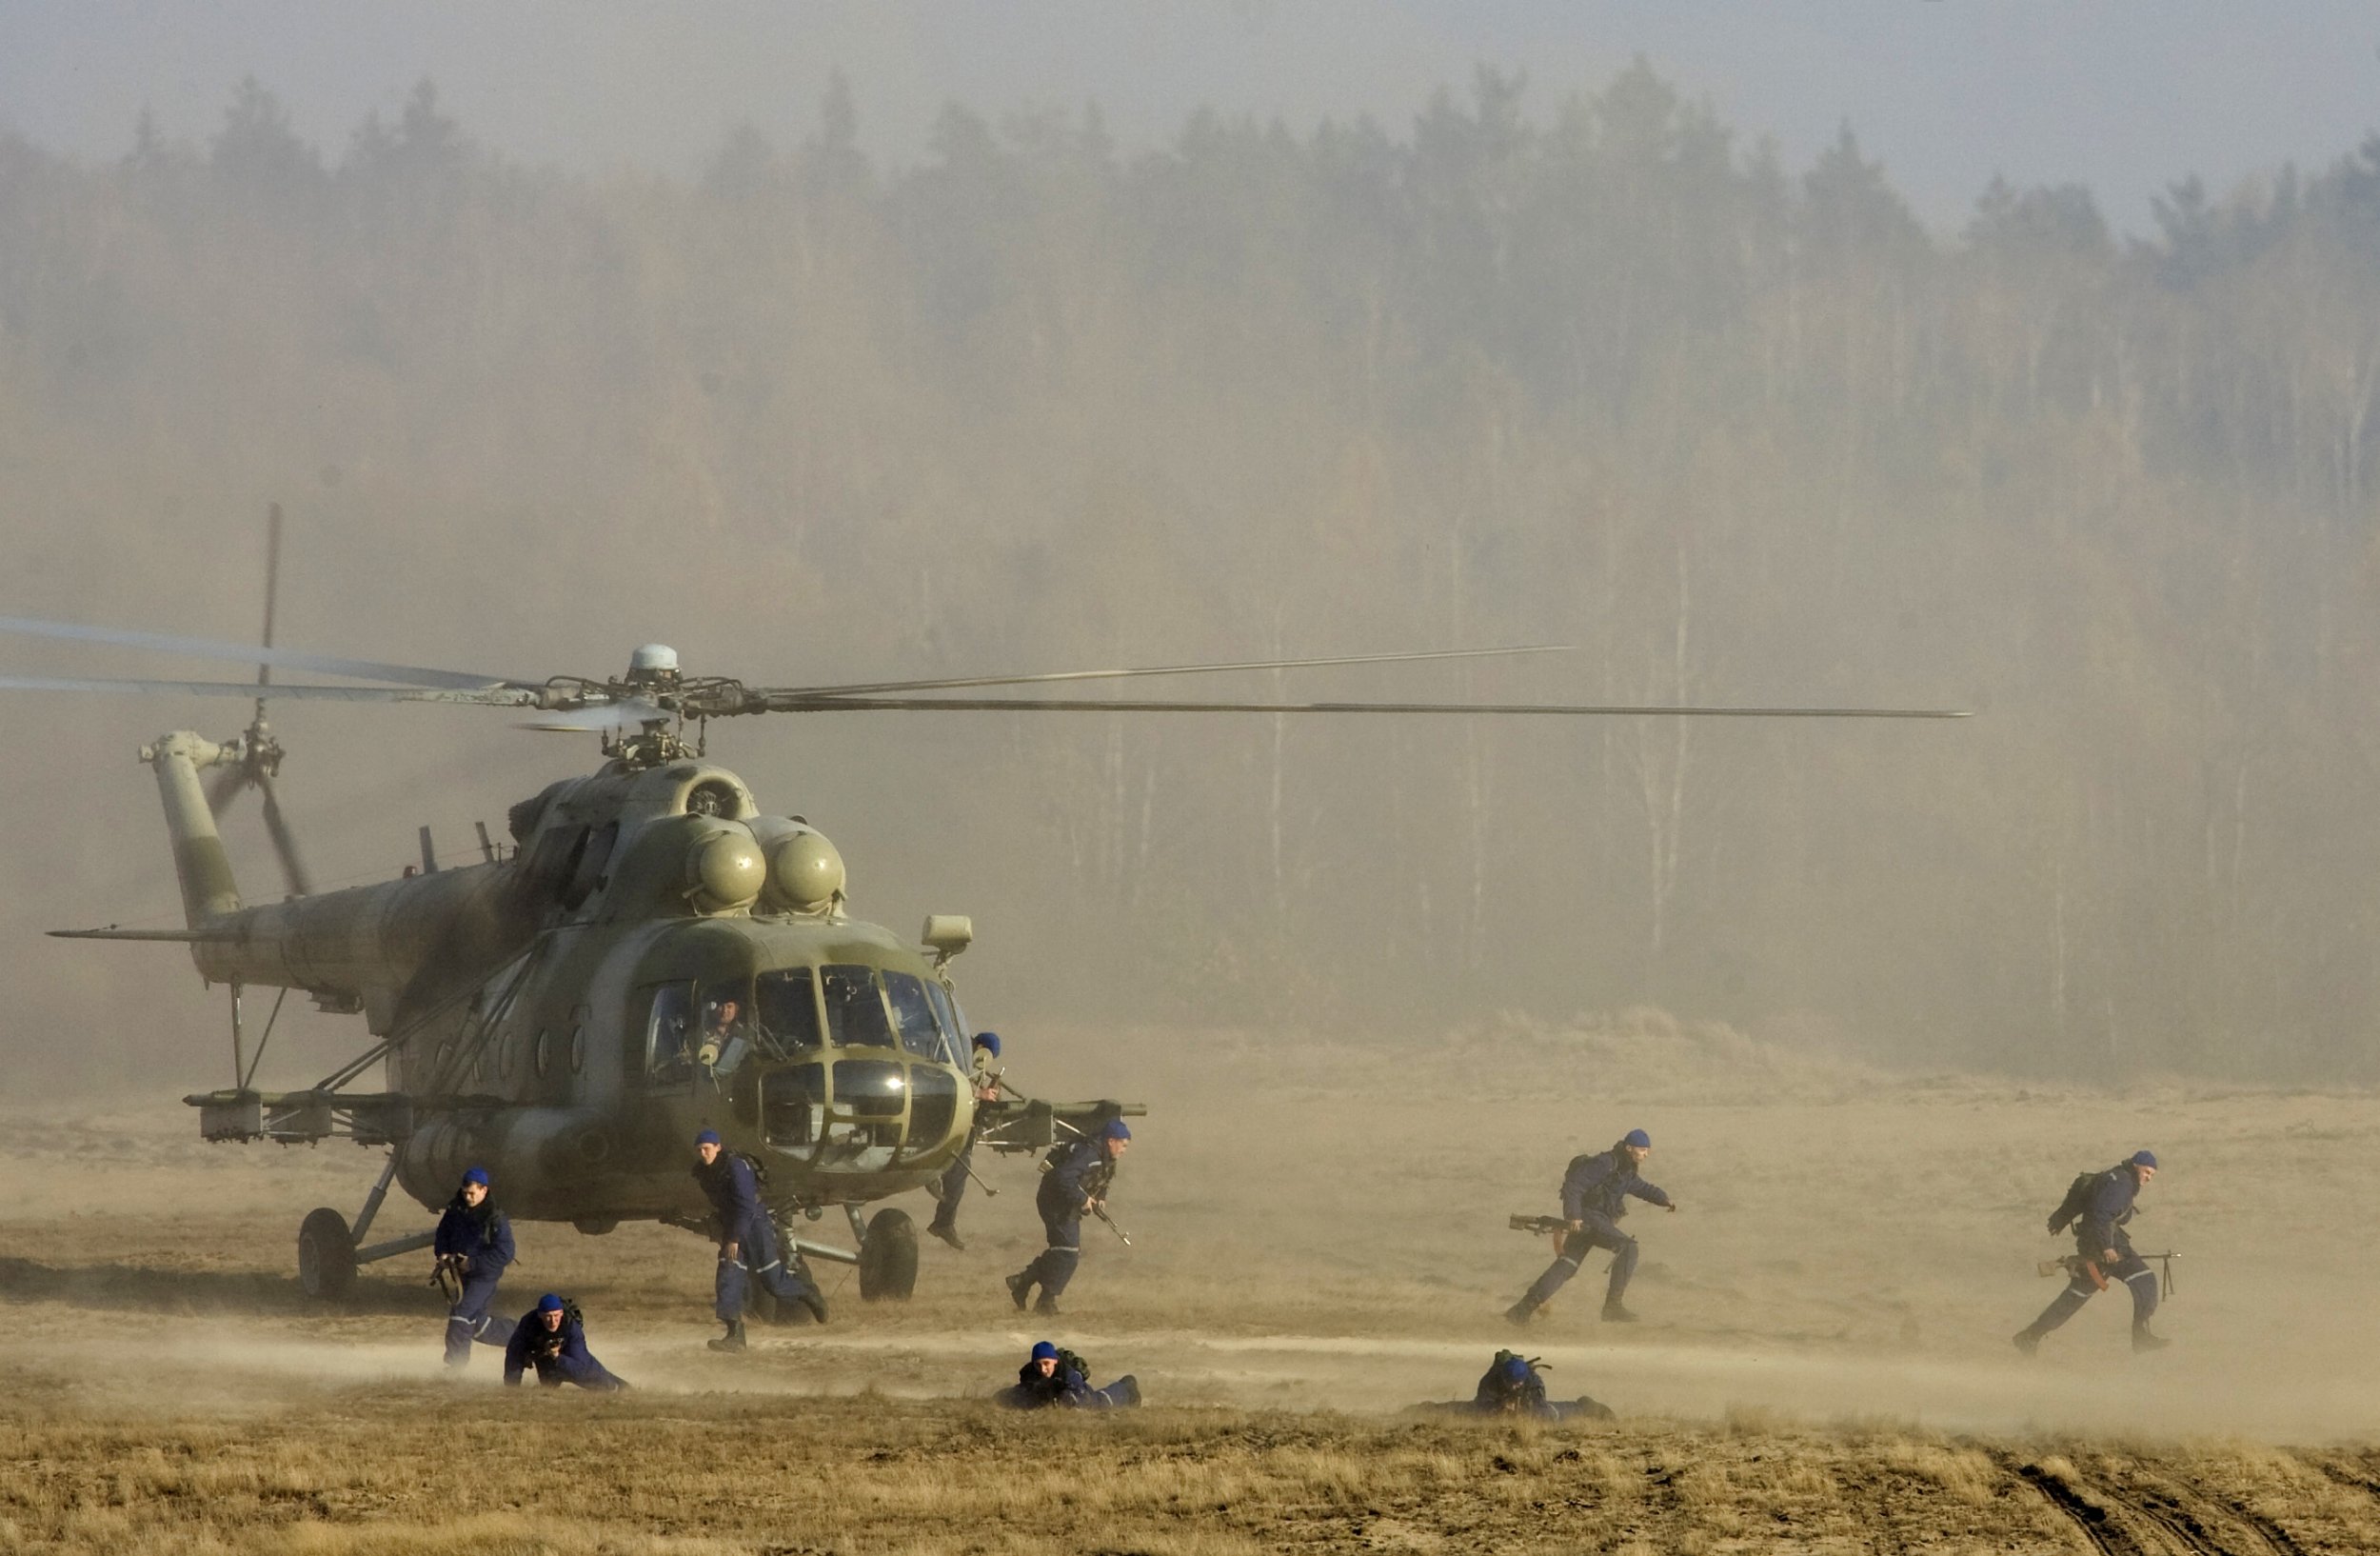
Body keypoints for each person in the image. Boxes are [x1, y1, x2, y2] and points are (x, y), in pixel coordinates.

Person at [1504, 1128, 1676, 1326]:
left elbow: (1642, 1188)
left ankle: (1519, 1312)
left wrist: (1664, 1199)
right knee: (1628, 1248)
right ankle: (1612, 1307)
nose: (1646, 1154)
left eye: (1648, 1151)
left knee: (1567, 1265)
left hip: (1595, 1220)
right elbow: (1574, 1185)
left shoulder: (1626, 1169)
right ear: (1629, 1148)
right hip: (1589, 1218)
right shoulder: (1606, 1163)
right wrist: (1574, 1215)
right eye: (1643, 1150)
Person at [2014, 1149, 2169, 1355]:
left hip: (2096, 1244)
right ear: (2136, 1166)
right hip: (2104, 1246)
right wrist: (2107, 1247)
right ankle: (2140, 1338)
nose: (2148, 1178)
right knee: (2145, 1280)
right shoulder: (2122, 1184)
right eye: (2147, 1172)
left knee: (2075, 1297)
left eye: (2152, 1175)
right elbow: (2101, 1214)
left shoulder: (2118, 1178)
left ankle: (2030, 1336)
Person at [692, 1127, 827, 1351]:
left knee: (773, 1283)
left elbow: (746, 1206)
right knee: (727, 1279)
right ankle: (735, 1335)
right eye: (699, 1150)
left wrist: (734, 1237)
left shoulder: (736, 1167)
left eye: (706, 1149)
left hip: (754, 1226)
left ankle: (807, 1293)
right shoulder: (705, 1173)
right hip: (732, 1227)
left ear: (718, 1147)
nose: (703, 1154)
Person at [1006, 1118, 1129, 1317]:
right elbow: (1062, 1177)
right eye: (1123, 1144)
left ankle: (1023, 1283)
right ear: (1111, 1141)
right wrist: (1082, 1199)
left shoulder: (1103, 1156)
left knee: (1063, 1251)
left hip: (1063, 1204)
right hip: (1055, 1203)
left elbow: (1101, 1178)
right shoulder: (1088, 1154)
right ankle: (1043, 1300)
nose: (1124, 1150)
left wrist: (1099, 1197)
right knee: (1068, 1253)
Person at [927, 1030, 1003, 1250]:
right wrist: (979, 1094)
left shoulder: (967, 1063)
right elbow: (945, 1080)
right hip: (937, 1119)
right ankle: (940, 1212)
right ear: (979, 1047)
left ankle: (943, 1223)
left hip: (957, 1127)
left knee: (958, 1176)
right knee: (951, 1167)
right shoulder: (951, 1055)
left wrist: (991, 1095)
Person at [434, 1165, 515, 1367]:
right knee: (479, 1326)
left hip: (484, 1277)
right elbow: (443, 1234)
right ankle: (529, 1334)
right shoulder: (455, 1210)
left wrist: (472, 1263)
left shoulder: (495, 1218)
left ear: (484, 1190)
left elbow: (505, 1253)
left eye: (472, 1193)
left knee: (461, 1315)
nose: (468, 1197)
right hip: (462, 1275)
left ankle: (455, 1367)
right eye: (465, 1193)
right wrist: (442, 1253)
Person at [1418, 1350, 1614, 1421]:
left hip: (1533, 1408)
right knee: (1467, 1412)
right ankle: (1424, 1410)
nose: (1514, 1387)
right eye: (1510, 1383)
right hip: (1493, 1406)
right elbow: (1480, 1404)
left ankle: (1585, 1406)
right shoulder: (1490, 1380)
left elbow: (1540, 1406)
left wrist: (1522, 1410)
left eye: (1517, 1383)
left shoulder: (1533, 1381)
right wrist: (1499, 1407)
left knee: (1550, 1415)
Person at [503, 1292, 628, 1390]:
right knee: (548, 1387)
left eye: (556, 1315)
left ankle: (623, 1388)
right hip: (544, 1357)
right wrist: (512, 1389)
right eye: (548, 1316)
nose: (553, 1321)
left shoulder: (570, 1327)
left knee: (603, 1384)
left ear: (562, 1313)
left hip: (571, 1355)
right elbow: (514, 1354)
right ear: (540, 1315)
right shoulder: (529, 1325)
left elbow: (581, 1368)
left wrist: (558, 1357)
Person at [994, 1339, 1141, 1409]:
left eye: (1046, 1364)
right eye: (1038, 1365)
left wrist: (1063, 1399)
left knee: (1100, 1403)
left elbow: (1081, 1397)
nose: (1043, 1369)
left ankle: (1128, 1387)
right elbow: (1020, 1392)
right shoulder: (1029, 1373)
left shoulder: (1068, 1373)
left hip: (1082, 1395)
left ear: (1055, 1362)